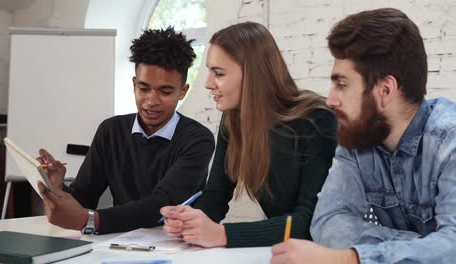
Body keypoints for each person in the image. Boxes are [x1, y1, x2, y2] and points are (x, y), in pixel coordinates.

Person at [271, 8, 456, 264]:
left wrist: (351, 258)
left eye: (342, 84)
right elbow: (327, 223)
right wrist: (425, 248)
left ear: (385, 89)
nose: (331, 99)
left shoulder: (450, 140)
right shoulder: (358, 139)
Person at [160, 21, 337, 248]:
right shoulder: (233, 118)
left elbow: (308, 222)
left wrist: (223, 234)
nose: (207, 83)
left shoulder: (317, 120)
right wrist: (188, 219)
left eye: (219, 73)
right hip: (283, 253)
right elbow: (215, 197)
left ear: (253, 74)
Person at [36, 27, 215, 235]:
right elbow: (84, 197)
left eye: (165, 91)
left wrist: (92, 220)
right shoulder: (110, 131)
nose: (151, 101)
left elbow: (162, 204)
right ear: (134, 84)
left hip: (174, 244)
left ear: (182, 91)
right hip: (118, 241)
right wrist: (57, 188)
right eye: (144, 88)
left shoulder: (197, 139)